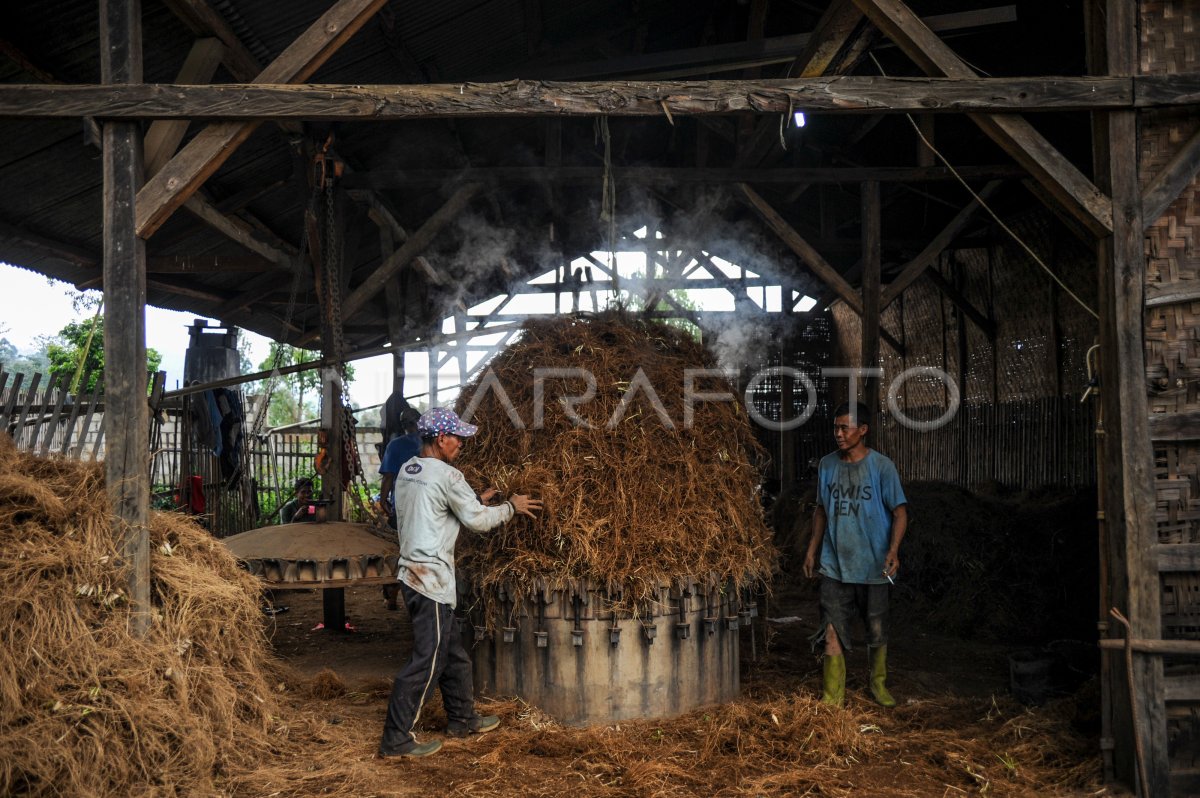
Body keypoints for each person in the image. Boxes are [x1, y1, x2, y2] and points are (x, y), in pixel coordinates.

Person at [378, 408, 542, 759]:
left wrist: (473, 500)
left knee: (453, 654)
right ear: (441, 439)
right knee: (429, 660)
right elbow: (480, 523)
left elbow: (431, 508)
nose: (462, 445)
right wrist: (510, 507)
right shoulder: (449, 476)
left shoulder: (409, 470)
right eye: (458, 439)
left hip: (411, 575)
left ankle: (462, 719)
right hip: (430, 581)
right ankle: (396, 738)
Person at [803, 401, 908, 708]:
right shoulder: (827, 465)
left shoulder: (882, 467)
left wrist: (893, 551)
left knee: (876, 630)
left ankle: (878, 685)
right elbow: (821, 510)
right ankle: (832, 698)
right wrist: (812, 550)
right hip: (835, 566)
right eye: (835, 427)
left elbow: (900, 513)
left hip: (875, 566)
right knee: (832, 630)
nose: (838, 433)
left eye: (844, 428)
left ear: (862, 430)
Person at [378, 408, 423, 610]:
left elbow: (388, 476)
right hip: (429, 509)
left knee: (398, 551)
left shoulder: (395, 445)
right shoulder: (431, 443)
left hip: (404, 509)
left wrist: (384, 500)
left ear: (403, 425)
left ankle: (392, 596)